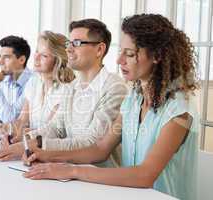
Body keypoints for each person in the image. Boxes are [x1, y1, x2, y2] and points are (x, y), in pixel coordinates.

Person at [23, 14, 199, 200]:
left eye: (129, 54)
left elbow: (145, 175)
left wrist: (72, 170)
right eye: (121, 51)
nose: (119, 60)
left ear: (157, 55)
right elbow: (100, 149)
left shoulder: (180, 110)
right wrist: (46, 156)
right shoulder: (133, 100)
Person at [0, 19, 127, 165]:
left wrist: (36, 145)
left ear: (99, 50)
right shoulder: (72, 87)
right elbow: (56, 128)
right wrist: (25, 140)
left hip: (98, 179)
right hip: (69, 173)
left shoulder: (114, 87)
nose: (68, 49)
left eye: (77, 43)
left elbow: (91, 143)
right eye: (69, 43)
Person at [0, 31, 75, 143]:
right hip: (31, 147)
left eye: (44, 55)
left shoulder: (65, 90)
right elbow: (21, 122)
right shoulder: (34, 82)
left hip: (49, 151)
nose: (36, 57)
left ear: (58, 61)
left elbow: (46, 133)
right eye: (37, 51)